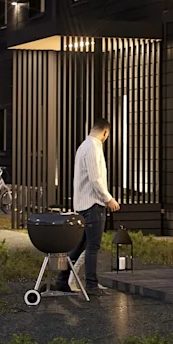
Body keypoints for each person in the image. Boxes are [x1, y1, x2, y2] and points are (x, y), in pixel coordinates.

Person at [55, 119, 121, 296]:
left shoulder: (83, 146)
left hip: (83, 204)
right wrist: (109, 199)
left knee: (79, 245)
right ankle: (91, 284)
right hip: (92, 205)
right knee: (93, 245)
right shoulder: (93, 147)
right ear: (105, 133)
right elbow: (95, 179)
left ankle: (62, 280)